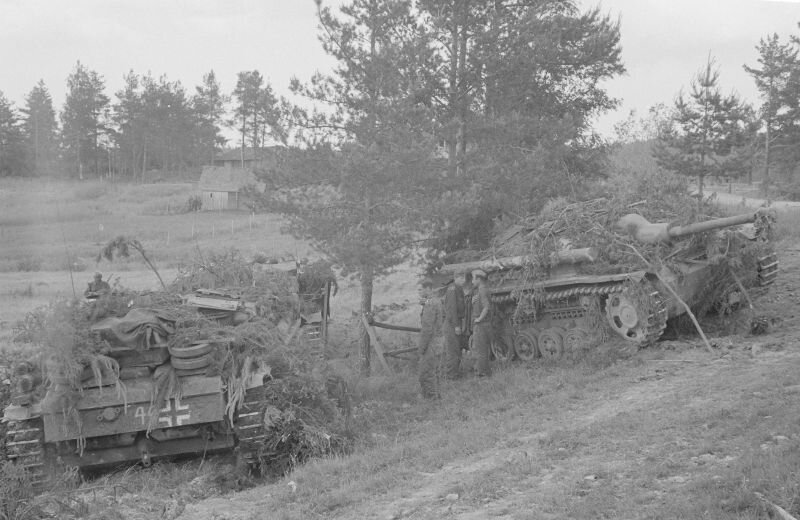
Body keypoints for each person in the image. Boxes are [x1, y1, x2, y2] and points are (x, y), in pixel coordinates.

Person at [417, 277, 445, 399]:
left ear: (428, 289)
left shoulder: (430, 305)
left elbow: (427, 329)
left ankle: (431, 398)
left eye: (420, 289)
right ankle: (437, 395)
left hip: (431, 342)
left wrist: (422, 348)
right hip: (439, 340)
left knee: (426, 372)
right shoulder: (436, 301)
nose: (418, 292)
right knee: (435, 370)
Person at [442, 273, 465, 379]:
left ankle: (454, 373)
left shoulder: (458, 288)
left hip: (456, 322)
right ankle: (451, 375)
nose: (463, 280)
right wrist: (456, 326)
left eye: (464, 278)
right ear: (456, 278)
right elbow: (452, 309)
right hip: (452, 324)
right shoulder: (452, 289)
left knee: (457, 349)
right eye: (461, 278)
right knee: (452, 350)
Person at [471, 269, 492, 377]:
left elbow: (486, 307)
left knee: (480, 350)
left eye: (473, 279)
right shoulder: (482, 290)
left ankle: (482, 374)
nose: (472, 281)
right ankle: (485, 372)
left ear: (478, 279)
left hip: (481, 325)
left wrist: (479, 319)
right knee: (483, 350)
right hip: (485, 325)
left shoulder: (482, 290)